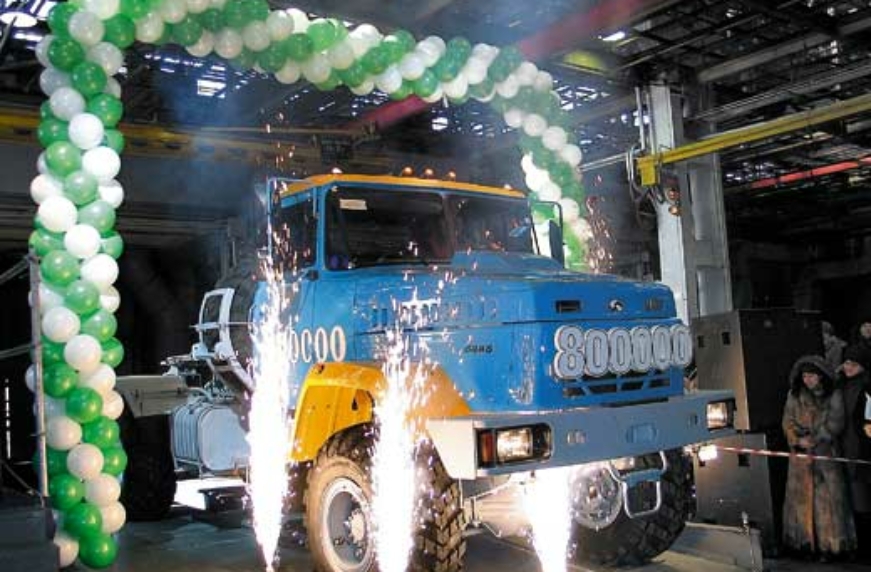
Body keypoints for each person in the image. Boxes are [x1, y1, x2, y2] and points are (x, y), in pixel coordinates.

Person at [782, 355, 857, 560]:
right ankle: (803, 544)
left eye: (812, 376)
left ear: (821, 376)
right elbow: (787, 421)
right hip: (800, 459)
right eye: (805, 376)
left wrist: (818, 438)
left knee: (829, 503)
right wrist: (797, 439)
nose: (807, 380)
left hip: (826, 456)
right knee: (800, 503)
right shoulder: (794, 395)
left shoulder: (833, 394)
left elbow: (836, 421)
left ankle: (832, 545)